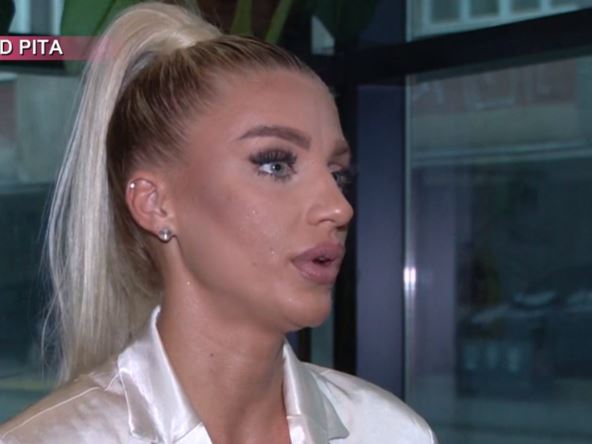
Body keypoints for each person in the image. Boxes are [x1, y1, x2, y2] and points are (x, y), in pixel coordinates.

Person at [0, 3, 436, 443]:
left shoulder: (390, 431)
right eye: (275, 164)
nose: (338, 208)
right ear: (155, 204)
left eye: (337, 174)